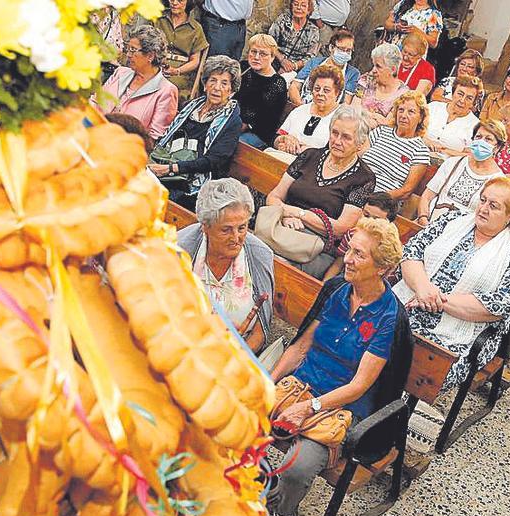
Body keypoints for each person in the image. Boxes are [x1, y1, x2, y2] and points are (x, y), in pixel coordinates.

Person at [267, 217, 406, 516]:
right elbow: (300, 347)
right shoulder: (337, 290)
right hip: (301, 385)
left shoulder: (389, 317)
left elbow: (359, 386)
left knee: (298, 468)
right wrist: (265, 383)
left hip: (339, 405)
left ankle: (283, 514)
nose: (347, 258)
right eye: (349, 249)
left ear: (383, 268)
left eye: (359, 254)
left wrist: (309, 407)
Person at [395, 177, 510, 387]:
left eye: (494, 206)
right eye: (483, 200)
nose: (483, 209)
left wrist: (436, 300)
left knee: (405, 365)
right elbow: (412, 252)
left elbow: (499, 305)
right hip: (406, 306)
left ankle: (384, 413)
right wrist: (422, 287)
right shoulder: (452, 220)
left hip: (457, 337)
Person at [265, 106, 377, 276]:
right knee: (254, 250)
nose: (337, 141)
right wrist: (286, 215)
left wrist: (298, 214)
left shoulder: (363, 178)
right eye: (335, 133)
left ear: (360, 143)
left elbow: (341, 228)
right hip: (281, 226)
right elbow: (273, 197)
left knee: (275, 263)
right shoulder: (309, 156)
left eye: (346, 137)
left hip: (316, 246)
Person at [176, 178, 275, 352]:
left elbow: (259, 332)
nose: (236, 238)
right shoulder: (180, 249)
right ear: (205, 226)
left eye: (242, 227)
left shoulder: (260, 255)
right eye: (226, 229)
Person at [149, 55, 244, 207]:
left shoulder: (232, 122)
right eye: (212, 80)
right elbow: (168, 137)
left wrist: (171, 169)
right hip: (167, 164)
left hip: (191, 183)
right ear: (205, 84)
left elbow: (214, 161)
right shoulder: (191, 107)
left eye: (224, 83)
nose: (217, 87)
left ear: (231, 90)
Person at [96, 26, 179, 139]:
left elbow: (154, 137)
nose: (128, 55)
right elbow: (95, 103)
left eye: (133, 50)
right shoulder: (120, 73)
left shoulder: (166, 90)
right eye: (128, 49)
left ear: (150, 55)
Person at [417, 120, 506, 223]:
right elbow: (427, 196)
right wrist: (423, 218)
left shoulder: (498, 181)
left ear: (497, 147)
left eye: (488, 139)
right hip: (430, 222)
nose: (481, 142)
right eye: (478, 137)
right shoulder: (452, 163)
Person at [363, 91, 432, 198]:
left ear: (421, 118)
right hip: (355, 187)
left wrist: (375, 198)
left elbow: (406, 191)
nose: (403, 115)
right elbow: (357, 157)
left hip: (382, 201)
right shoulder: (380, 132)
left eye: (411, 112)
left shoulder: (420, 151)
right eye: (401, 110)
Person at [321, 192, 399, 280]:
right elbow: (339, 263)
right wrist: (324, 284)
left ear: (388, 222)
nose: (368, 221)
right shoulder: (352, 233)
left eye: (376, 219)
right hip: (345, 279)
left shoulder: (388, 247)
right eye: (366, 215)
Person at [274, 63, 344, 155]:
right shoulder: (299, 111)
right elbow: (276, 140)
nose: (320, 93)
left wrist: (308, 151)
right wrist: (283, 139)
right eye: (317, 88)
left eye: (326, 90)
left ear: (337, 93)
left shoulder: (342, 119)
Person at [236, 34, 289, 149]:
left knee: (230, 142)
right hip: (233, 121)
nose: (256, 57)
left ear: (272, 57)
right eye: (253, 51)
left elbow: (260, 118)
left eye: (263, 54)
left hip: (257, 132)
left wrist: (232, 127)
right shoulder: (242, 67)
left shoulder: (277, 83)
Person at [290, 29, 361, 107]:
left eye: (348, 50)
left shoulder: (353, 73)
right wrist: (300, 106)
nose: (344, 53)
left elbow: (346, 103)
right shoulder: (314, 62)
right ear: (331, 47)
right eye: (341, 49)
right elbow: (294, 86)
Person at [157, 0, 209, 101]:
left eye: (180, 0)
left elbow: (195, 61)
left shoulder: (195, 28)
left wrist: (176, 71)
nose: (174, 3)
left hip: (181, 74)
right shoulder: (158, 20)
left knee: (167, 87)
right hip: (157, 65)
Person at [353, 43, 410, 127]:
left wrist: (363, 113)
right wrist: (374, 116)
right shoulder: (365, 80)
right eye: (373, 65)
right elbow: (353, 108)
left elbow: (388, 123)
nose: (373, 70)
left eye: (378, 66)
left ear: (393, 69)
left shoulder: (404, 94)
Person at [424, 75, 482, 156]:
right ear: (452, 93)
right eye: (460, 94)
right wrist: (427, 141)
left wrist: (445, 151)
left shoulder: (476, 125)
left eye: (469, 98)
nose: (462, 100)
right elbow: (412, 130)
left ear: (474, 103)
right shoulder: (433, 107)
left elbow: (470, 155)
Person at [268, 0, 321, 74]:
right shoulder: (283, 19)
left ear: (309, 10)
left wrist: (293, 66)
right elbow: (269, 42)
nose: (298, 8)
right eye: (296, 4)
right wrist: (282, 60)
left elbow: (311, 56)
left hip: (296, 69)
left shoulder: (313, 30)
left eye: (303, 5)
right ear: (291, 7)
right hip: (275, 61)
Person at [396, 30, 437, 96]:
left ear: (420, 56)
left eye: (411, 55)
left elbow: (416, 97)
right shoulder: (394, 59)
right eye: (404, 52)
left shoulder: (427, 69)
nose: (405, 57)